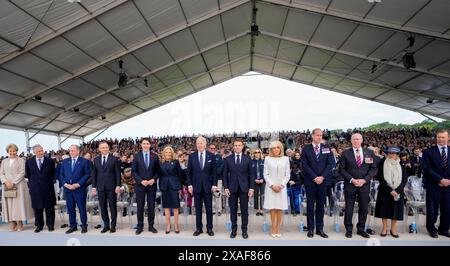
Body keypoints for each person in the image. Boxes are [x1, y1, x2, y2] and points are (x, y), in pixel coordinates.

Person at [339, 133, 378, 238]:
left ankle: (361, 229)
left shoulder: (369, 152)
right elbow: (341, 169)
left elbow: (373, 168)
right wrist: (352, 180)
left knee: (364, 208)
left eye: (358, 139)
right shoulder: (345, 153)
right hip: (350, 184)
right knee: (349, 208)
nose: (356, 141)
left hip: (364, 185)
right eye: (354, 139)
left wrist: (364, 180)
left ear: (361, 140)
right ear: (351, 141)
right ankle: (349, 229)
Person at [300, 129, 335, 238]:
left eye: (321, 135)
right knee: (310, 206)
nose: (320, 137)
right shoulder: (306, 149)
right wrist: (315, 177)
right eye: (317, 135)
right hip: (310, 181)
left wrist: (322, 177)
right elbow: (304, 165)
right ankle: (311, 228)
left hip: (323, 182)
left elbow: (331, 164)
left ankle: (320, 229)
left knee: (321, 206)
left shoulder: (326, 148)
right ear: (312, 136)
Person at [223, 139, 254, 239]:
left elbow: (251, 174)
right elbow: (225, 175)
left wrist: (251, 188)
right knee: (233, 210)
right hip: (232, 188)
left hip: (244, 188)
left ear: (242, 146)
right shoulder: (228, 159)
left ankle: (244, 230)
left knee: (244, 211)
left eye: (239, 145)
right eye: (235, 145)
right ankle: (234, 230)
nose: (237, 147)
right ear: (233, 147)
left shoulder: (247, 158)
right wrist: (226, 187)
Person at [186, 136, 218, 237]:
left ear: (205, 144)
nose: (200, 145)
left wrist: (214, 185)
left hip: (208, 187)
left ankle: (209, 228)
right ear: (196, 144)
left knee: (209, 209)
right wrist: (190, 185)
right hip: (196, 187)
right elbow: (188, 173)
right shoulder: (192, 156)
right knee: (198, 209)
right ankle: (198, 228)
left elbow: (214, 172)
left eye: (201, 143)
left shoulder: (211, 156)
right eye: (198, 143)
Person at [422, 129, 450, 238]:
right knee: (432, 209)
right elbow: (426, 168)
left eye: (443, 137)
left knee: (447, 209)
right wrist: (440, 179)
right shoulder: (428, 152)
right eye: (439, 137)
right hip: (434, 185)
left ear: (448, 138)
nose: (440, 139)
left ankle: (444, 228)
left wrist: (448, 181)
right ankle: (431, 228)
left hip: (448, 186)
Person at [375, 147, 407, 238]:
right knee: (384, 210)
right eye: (390, 153)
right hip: (385, 190)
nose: (391, 155)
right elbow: (380, 177)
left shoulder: (401, 164)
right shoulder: (382, 163)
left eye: (393, 153)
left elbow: (404, 179)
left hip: (398, 192)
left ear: (397, 155)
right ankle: (384, 228)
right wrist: (390, 190)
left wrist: (397, 190)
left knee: (396, 211)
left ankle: (393, 229)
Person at [0, 144, 33, 232]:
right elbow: (1, 173)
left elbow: (22, 173)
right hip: (7, 185)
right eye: (10, 151)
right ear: (7, 152)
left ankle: (20, 223)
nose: (12, 152)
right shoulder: (4, 161)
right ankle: (13, 223)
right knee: (9, 205)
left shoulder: (21, 160)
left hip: (18, 185)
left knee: (18, 205)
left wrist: (13, 182)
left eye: (14, 151)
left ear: (17, 151)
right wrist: (6, 182)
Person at [59, 144, 91, 234]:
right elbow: (61, 175)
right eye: (70, 151)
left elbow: (87, 174)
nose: (71, 152)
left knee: (81, 208)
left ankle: (84, 225)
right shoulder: (65, 162)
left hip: (79, 189)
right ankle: (73, 226)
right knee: (70, 208)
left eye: (73, 150)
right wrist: (65, 184)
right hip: (68, 189)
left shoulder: (84, 161)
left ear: (78, 151)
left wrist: (78, 184)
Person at [92, 141, 121, 233]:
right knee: (103, 207)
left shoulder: (114, 159)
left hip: (112, 187)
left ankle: (113, 226)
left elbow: (117, 174)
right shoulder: (96, 160)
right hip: (100, 187)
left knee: (112, 207)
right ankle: (106, 225)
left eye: (106, 147)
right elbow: (94, 174)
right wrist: (93, 186)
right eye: (102, 147)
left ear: (108, 148)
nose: (104, 149)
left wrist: (118, 185)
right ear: (99, 149)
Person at [25, 144, 56, 233]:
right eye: (38, 151)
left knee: (49, 207)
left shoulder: (50, 161)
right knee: (37, 208)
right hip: (35, 188)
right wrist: (34, 183)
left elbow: (53, 173)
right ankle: (39, 225)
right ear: (34, 152)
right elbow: (28, 174)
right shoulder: (29, 161)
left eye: (42, 150)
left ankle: (50, 225)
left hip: (48, 187)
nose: (41, 152)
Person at [132, 138, 160, 235]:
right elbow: (134, 171)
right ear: (141, 145)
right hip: (140, 185)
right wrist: (141, 181)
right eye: (144, 143)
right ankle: (140, 226)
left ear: (150, 145)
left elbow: (158, 171)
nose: (145, 145)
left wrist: (153, 179)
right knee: (140, 206)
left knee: (151, 206)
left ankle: (151, 226)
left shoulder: (155, 156)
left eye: (147, 143)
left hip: (151, 185)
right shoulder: (136, 156)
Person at [263, 140, 290, 238]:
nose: (276, 149)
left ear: (281, 148)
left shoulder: (286, 159)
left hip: (281, 187)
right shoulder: (267, 159)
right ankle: (273, 227)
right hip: (271, 187)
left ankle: (278, 227)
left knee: (279, 208)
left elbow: (287, 175)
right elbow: (265, 174)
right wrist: (272, 185)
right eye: (273, 148)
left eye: (277, 147)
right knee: (272, 208)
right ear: (271, 149)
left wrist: (281, 185)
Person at [158, 146, 184, 234]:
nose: (168, 154)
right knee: (166, 207)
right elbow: (159, 175)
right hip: (164, 187)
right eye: (166, 152)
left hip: (174, 186)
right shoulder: (161, 163)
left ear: (172, 153)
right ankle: (168, 225)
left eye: (169, 152)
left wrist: (180, 187)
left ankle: (176, 225)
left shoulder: (176, 162)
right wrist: (161, 186)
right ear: (164, 154)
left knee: (176, 207)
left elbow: (180, 174)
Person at [288, 151, 302, 216]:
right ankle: (293, 210)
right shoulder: (292, 163)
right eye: (296, 155)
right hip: (290, 184)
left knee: (297, 198)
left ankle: (297, 210)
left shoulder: (302, 163)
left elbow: (301, 177)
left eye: (298, 155)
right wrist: (290, 181)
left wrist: (295, 182)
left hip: (298, 184)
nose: (297, 156)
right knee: (291, 197)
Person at [251, 148, 265, 216]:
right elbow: (250, 173)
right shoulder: (251, 162)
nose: (257, 154)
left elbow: (266, 172)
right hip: (255, 180)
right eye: (255, 152)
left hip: (262, 180)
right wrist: (254, 179)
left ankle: (262, 209)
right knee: (256, 195)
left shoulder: (263, 161)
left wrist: (263, 179)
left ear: (260, 153)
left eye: (258, 152)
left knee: (262, 195)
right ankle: (257, 209)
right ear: (253, 154)